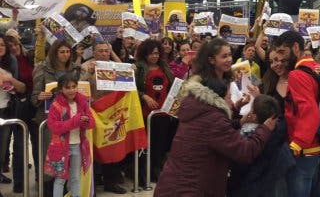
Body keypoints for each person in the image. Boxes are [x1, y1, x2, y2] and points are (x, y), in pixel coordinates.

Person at [154, 38, 276, 197]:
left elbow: (214, 129)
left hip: (176, 184)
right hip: (191, 189)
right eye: (223, 56)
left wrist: (237, 116)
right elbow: (245, 150)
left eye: (230, 55)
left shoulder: (199, 105)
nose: (229, 60)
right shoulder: (213, 118)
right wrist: (265, 129)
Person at [276, 31, 320, 197]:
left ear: (295, 47)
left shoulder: (297, 74)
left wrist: (296, 145)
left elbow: (311, 112)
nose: (281, 58)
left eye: (283, 52)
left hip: (304, 149)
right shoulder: (317, 68)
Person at [32, 39, 81, 195]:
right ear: (54, 53)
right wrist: (40, 96)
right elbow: (34, 96)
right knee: (51, 157)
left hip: (72, 121)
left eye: (68, 51)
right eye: (62, 52)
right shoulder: (43, 69)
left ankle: (69, 190)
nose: (65, 55)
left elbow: (84, 89)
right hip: (49, 121)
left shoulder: (75, 69)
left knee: (72, 160)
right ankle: (48, 189)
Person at [80, 41, 127, 194]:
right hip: (94, 112)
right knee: (94, 148)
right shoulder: (85, 66)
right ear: (94, 52)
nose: (104, 54)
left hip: (113, 111)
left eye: (106, 51)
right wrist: (89, 73)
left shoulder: (113, 64)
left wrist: (114, 54)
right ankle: (92, 183)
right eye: (100, 51)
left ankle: (111, 182)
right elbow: (80, 87)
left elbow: (125, 72)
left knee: (111, 146)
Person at [228, 94, 292, 197]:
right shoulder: (278, 131)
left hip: (246, 187)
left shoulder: (247, 136)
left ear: (254, 116)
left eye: (252, 108)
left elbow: (240, 164)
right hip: (267, 185)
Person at [44, 73, 94, 197]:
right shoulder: (56, 106)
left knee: (75, 177)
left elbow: (92, 122)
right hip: (60, 148)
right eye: (68, 87)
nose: (72, 90)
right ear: (61, 89)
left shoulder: (82, 102)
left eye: (74, 86)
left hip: (77, 145)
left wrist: (86, 121)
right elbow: (54, 126)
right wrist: (75, 121)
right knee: (60, 179)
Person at [135, 39, 175, 183]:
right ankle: (142, 173)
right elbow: (134, 88)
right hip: (146, 114)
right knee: (145, 146)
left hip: (163, 112)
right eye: (151, 54)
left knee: (160, 144)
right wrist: (144, 96)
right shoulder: (139, 68)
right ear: (145, 55)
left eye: (157, 53)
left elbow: (172, 86)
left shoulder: (164, 67)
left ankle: (156, 171)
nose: (155, 56)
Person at [4, 35, 35, 193]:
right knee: (19, 145)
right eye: (10, 47)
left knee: (38, 143)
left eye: (15, 44)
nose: (14, 48)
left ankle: (41, 178)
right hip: (18, 105)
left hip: (36, 103)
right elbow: (15, 87)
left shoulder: (30, 56)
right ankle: (19, 183)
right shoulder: (8, 62)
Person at [0, 33, 26, 188]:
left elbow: (19, 88)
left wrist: (9, 80)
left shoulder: (12, 61)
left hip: (6, 111)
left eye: (2, 45)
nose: (0, 48)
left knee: (2, 150)